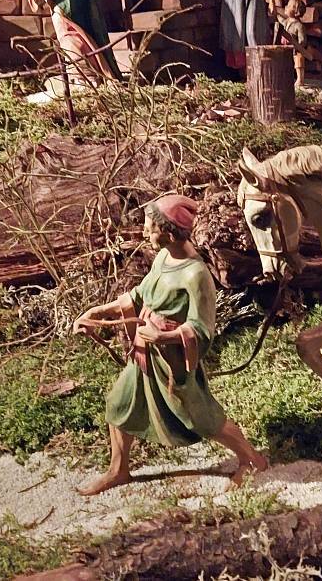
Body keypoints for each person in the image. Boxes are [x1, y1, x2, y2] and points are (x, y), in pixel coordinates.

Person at [72, 195, 268, 496]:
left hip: (172, 361)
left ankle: (252, 460)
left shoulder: (196, 274)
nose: (144, 232)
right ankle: (118, 469)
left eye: (150, 227)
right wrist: (98, 312)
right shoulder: (163, 258)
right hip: (145, 354)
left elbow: (202, 327)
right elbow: (140, 295)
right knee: (119, 403)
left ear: (170, 233)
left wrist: (164, 337)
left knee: (201, 416)